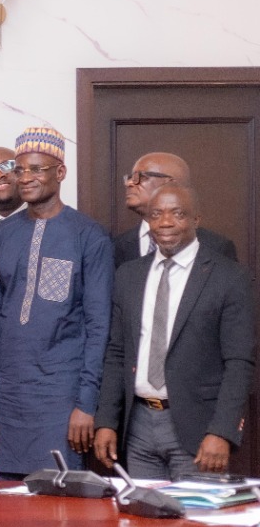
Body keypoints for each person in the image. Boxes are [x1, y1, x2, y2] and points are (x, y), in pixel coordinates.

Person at [0, 128, 113, 478]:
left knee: (58, 499)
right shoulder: (1, 235)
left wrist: (86, 403)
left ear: (60, 172)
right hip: (8, 394)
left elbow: (98, 327)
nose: (26, 178)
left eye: (37, 169)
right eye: (20, 170)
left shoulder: (88, 235)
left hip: (61, 395)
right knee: (3, 502)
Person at [94, 185, 255, 478]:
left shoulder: (229, 277)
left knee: (199, 522)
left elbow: (239, 363)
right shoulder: (129, 275)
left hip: (199, 430)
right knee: (144, 521)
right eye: (156, 214)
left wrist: (222, 431)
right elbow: (116, 353)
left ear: (196, 219)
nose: (165, 223)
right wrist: (106, 421)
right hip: (138, 426)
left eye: (177, 214)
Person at [111, 152, 236, 266]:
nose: (129, 183)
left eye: (141, 177)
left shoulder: (217, 247)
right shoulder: (115, 246)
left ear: (170, 183)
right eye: (130, 177)